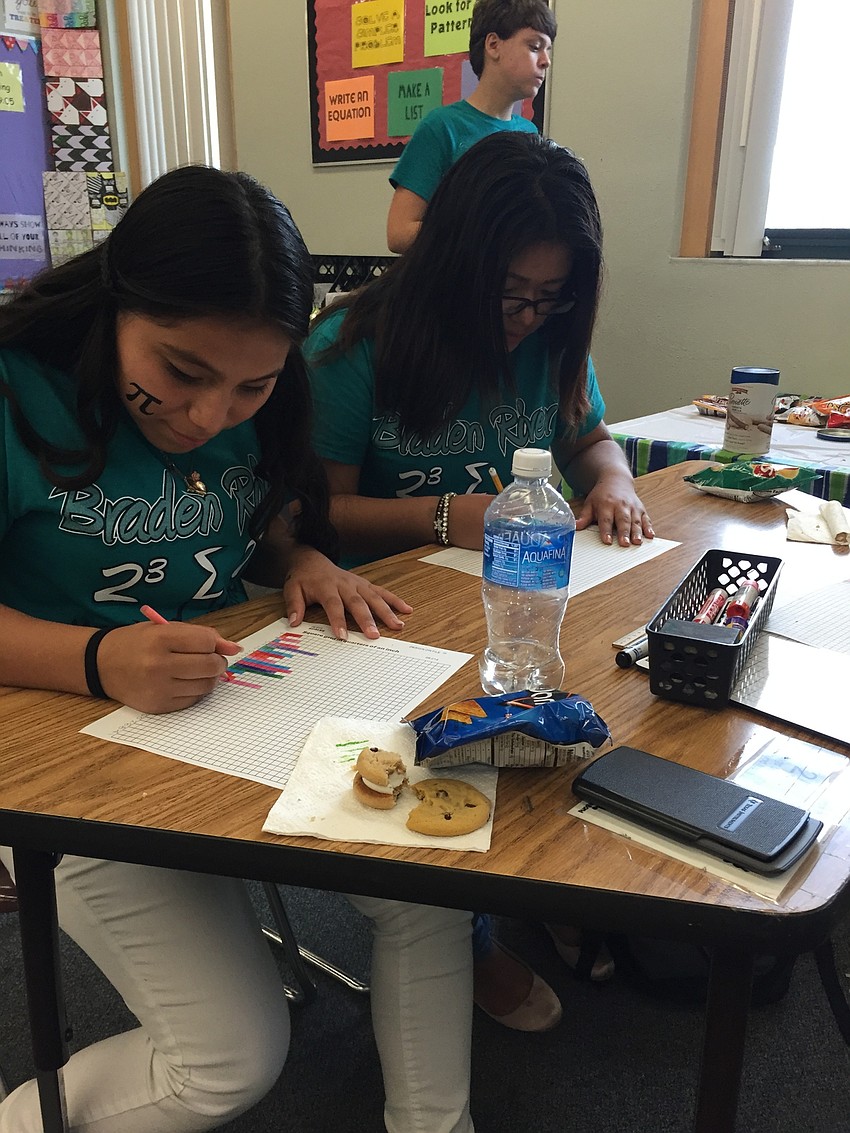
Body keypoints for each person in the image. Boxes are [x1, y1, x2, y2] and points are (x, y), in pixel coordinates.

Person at [0, 165, 476, 1133]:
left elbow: (249, 518)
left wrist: (301, 554)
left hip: (227, 714)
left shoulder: (261, 402)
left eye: (252, 385)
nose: (211, 414)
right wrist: (97, 660)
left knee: (429, 890)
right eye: (180, 371)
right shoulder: (16, 392)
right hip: (61, 757)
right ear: (115, 304)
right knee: (225, 1062)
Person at [305, 131, 656, 1020]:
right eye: (510, 296)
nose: (528, 319)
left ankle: (555, 893)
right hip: (384, 617)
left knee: (586, 706)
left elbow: (586, 436)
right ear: (455, 262)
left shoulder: (548, 343)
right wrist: (441, 515)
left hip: (502, 598)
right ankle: (473, 936)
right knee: (462, 751)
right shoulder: (354, 344)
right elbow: (311, 517)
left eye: (551, 298)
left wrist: (612, 480)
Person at [386, 0, 557, 254]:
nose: (546, 61)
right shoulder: (442, 128)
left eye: (548, 50)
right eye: (534, 47)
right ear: (493, 45)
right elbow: (398, 233)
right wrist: (480, 231)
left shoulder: (529, 135)